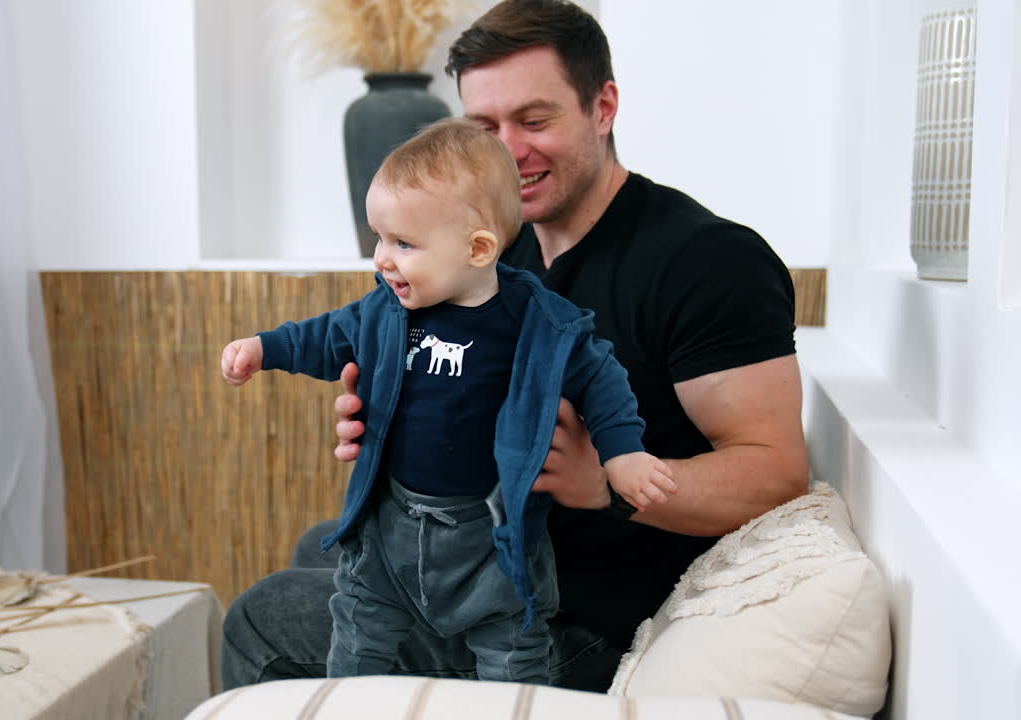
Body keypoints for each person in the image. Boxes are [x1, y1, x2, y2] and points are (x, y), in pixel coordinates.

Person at [222, 0, 809, 691]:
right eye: (484, 126)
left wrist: (604, 486)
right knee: (318, 548)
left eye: (534, 120)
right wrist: (385, 408)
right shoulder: (489, 255)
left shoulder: (706, 261)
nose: (507, 151)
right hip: (487, 543)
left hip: (576, 617)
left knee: (259, 617)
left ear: (603, 106)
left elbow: (777, 474)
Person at [220, 117, 675, 684]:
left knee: (511, 645)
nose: (383, 259)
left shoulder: (538, 323)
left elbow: (601, 379)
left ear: (478, 249)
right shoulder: (387, 310)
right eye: (380, 239)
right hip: (394, 516)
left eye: (403, 244)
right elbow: (324, 336)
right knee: (359, 625)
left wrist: (622, 453)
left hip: (489, 528)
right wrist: (263, 348)